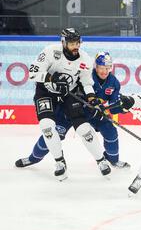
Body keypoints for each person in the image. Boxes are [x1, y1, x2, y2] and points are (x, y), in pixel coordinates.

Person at [16, 51, 130, 170]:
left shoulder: (114, 83)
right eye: (101, 68)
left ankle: (113, 160)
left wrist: (123, 107)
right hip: (72, 110)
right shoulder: (86, 75)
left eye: (108, 68)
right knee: (54, 134)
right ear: (96, 66)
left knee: (110, 131)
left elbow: (114, 107)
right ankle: (33, 158)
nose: (104, 71)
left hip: (94, 113)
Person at [26, 28, 111, 181]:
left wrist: (92, 98)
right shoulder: (50, 52)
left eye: (77, 43)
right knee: (47, 126)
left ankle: (101, 160)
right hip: (46, 92)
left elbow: (86, 82)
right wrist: (51, 77)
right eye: (71, 43)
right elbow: (32, 73)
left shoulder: (85, 59)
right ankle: (59, 162)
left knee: (84, 129)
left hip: (69, 94)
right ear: (63, 42)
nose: (75, 46)